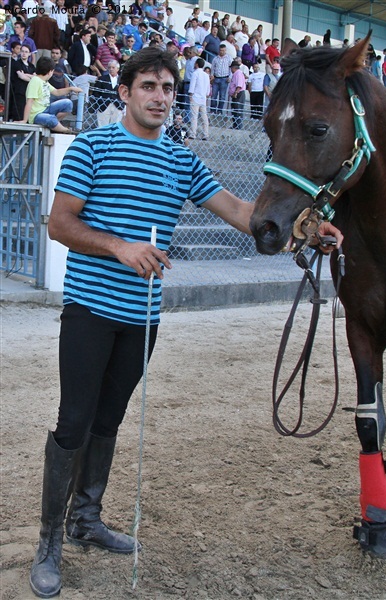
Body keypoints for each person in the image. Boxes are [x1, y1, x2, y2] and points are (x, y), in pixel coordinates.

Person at [27, 47, 342, 599]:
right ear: (124, 92)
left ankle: (86, 519)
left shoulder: (181, 160)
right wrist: (120, 248)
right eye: (148, 85)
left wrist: (307, 227)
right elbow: (59, 224)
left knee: (108, 421)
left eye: (169, 88)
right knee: (74, 422)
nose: (160, 96)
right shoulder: (92, 147)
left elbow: (243, 214)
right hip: (90, 313)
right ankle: (50, 541)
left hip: (142, 318)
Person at [16, 55, 82, 133]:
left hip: (46, 110)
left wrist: (71, 89)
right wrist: (25, 120)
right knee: (51, 119)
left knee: (68, 103)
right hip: (36, 115)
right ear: (50, 71)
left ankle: (55, 125)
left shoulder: (44, 81)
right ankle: (66, 130)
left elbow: (56, 92)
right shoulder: (35, 81)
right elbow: (29, 101)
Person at [9, 43, 36, 121]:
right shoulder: (16, 63)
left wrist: (26, 74)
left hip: (29, 92)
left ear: (30, 54)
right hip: (19, 92)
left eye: (26, 52)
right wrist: (31, 78)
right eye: (22, 51)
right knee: (19, 113)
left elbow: (35, 77)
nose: (24, 53)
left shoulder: (31, 66)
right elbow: (21, 76)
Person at [92, 60, 122, 127]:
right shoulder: (102, 78)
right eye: (109, 67)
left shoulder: (122, 80)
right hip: (103, 106)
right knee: (102, 127)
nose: (111, 69)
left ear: (118, 69)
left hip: (117, 106)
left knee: (116, 127)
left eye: (113, 67)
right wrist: (99, 104)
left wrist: (122, 104)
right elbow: (96, 93)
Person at [188, 57, 210, 140]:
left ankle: (193, 134)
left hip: (195, 97)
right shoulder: (206, 75)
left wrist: (190, 94)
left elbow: (192, 85)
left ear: (196, 64)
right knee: (204, 117)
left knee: (194, 116)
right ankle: (206, 134)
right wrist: (206, 95)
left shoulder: (195, 73)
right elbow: (208, 88)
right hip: (203, 98)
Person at [210, 43, 231, 114]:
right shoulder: (215, 59)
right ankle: (213, 109)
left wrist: (230, 77)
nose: (222, 52)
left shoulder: (229, 58)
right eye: (221, 50)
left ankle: (219, 110)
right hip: (216, 78)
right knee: (213, 95)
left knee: (222, 96)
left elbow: (231, 68)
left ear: (225, 50)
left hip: (224, 79)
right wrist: (212, 75)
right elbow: (212, 68)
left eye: (223, 50)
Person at [228, 61, 246, 129]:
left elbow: (239, 84)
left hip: (238, 94)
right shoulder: (236, 73)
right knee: (235, 110)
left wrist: (235, 92)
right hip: (236, 94)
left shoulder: (238, 73)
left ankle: (238, 126)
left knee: (238, 110)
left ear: (233, 68)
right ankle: (235, 125)